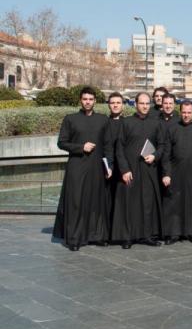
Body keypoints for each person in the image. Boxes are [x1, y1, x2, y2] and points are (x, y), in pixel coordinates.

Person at [52, 87, 110, 251]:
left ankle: (96, 236)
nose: (87, 102)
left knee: (95, 201)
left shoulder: (103, 120)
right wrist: (80, 147)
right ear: (80, 100)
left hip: (97, 167)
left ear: (95, 101)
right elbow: (61, 143)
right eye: (85, 99)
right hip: (77, 166)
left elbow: (107, 145)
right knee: (76, 201)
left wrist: (108, 166)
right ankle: (74, 238)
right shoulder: (70, 119)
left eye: (90, 99)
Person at [112, 92, 166, 249]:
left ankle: (147, 235)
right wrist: (124, 169)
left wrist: (155, 156)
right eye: (141, 103)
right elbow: (119, 148)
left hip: (148, 169)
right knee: (130, 204)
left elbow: (162, 145)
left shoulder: (156, 123)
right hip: (130, 170)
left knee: (147, 204)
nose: (144, 106)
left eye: (147, 103)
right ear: (135, 104)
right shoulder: (126, 123)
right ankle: (128, 237)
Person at [161, 101, 192, 244]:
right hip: (175, 172)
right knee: (174, 203)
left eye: (189, 112)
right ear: (180, 112)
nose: (186, 115)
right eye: (184, 112)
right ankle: (174, 233)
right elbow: (166, 154)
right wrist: (166, 173)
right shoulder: (172, 128)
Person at [105, 92, 125, 231]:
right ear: (109, 105)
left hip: (123, 168)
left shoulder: (128, 123)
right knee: (107, 199)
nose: (115, 105)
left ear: (122, 105)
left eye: (118, 102)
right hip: (107, 167)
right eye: (113, 103)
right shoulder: (103, 123)